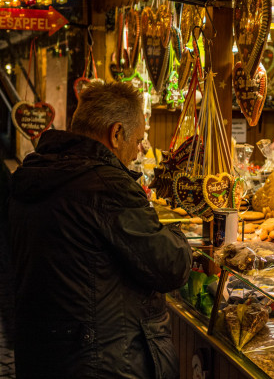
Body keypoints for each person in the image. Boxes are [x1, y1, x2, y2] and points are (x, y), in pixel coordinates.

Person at [9, 82, 192, 378]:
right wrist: (177, 235)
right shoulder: (107, 187)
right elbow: (172, 265)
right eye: (138, 140)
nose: (137, 151)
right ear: (117, 133)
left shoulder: (33, 173)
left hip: (43, 357)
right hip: (103, 363)